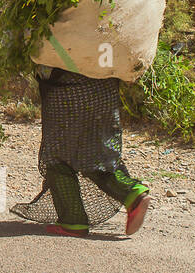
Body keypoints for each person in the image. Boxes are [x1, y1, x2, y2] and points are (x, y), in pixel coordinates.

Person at [11, 66, 151, 236]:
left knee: (56, 155)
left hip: (68, 90)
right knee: (98, 154)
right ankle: (132, 193)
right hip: (105, 88)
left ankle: (73, 220)